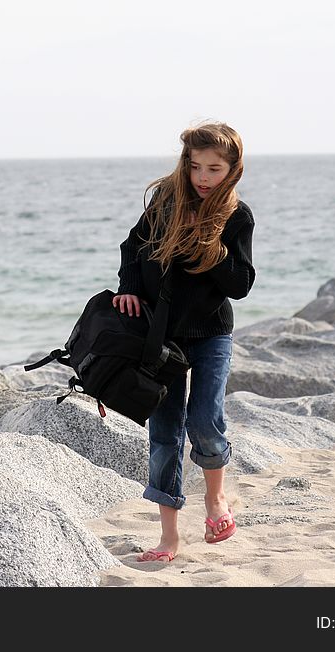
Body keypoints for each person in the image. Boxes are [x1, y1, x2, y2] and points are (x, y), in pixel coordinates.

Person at [113, 121, 255, 562]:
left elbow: (241, 283)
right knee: (164, 433)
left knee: (205, 422)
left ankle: (216, 500)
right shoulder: (165, 202)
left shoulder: (237, 215)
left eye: (214, 168)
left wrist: (211, 246)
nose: (203, 177)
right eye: (196, 166)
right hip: (161, 337)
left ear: (232, 169)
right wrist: (129, 287)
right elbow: (133, 246)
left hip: (212, 333)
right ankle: (169, 537)